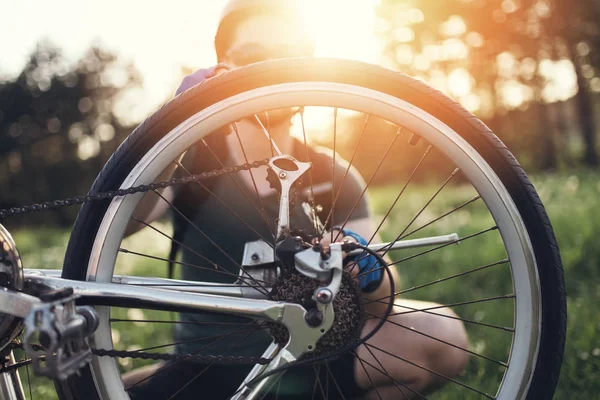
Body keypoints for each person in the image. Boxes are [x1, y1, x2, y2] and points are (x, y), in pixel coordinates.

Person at [123, 1, 468, 398]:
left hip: (311, 362)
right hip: (205, 370)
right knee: (82, 379)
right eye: (253, 58)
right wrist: (172, 130)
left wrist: (363, 264)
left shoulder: (333, 175)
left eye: (287, 58)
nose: (271, 71)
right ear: (222, 68)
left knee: (443, 335)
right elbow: (124, 221)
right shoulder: (191, 163)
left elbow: (380, 298)